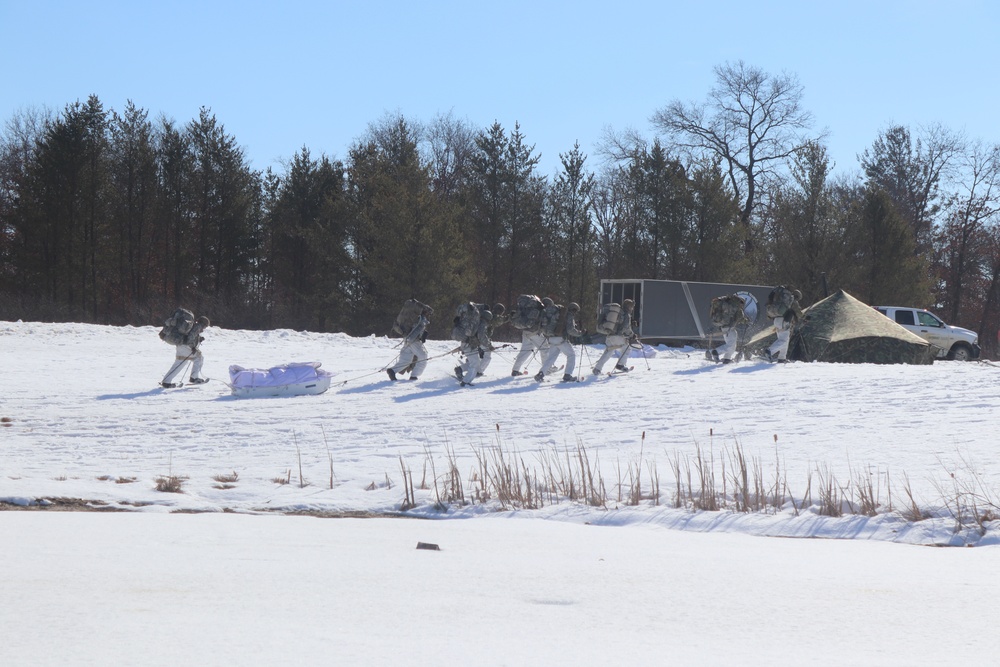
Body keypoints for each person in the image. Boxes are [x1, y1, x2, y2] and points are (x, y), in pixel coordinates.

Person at [535, 301, 583, 382]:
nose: (575, 313)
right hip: (560, 339)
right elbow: (570, 330)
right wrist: (580, 333)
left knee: (551, 358)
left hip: (551, 338)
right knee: (571, 355)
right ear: (574, 310)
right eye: (576, 311)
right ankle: (567, 375)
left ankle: (541, 374)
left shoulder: (559, 314)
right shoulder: (568, 315)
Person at [161, 314, 210, 388]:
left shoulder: (192, 325)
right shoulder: (198, 326)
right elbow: (190, 337)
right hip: (185, 347)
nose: (204, 328)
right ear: (203, 324)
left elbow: (190, 335)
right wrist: (193, 347)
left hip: (181, 345)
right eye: (205, 326)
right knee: (198, 358)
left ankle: (166, 381)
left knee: (180, 363)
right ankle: (194, 378)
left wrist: (199, 338)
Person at [388, 304, 431, 381]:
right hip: (413, 340)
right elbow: (416, 329)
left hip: (407, 339)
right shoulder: (422, 319)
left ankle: (392, 371)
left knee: (406, 360)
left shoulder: (416, 318)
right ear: (426, 312)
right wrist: (416, 338)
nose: (429, 315)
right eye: (429, 313)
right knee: (423, 356)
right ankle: (414, 376)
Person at [593, 298, 635, 375]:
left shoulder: (618, 313)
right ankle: (620, 365)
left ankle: (597, 369)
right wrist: (632, 335)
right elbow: (626, 327)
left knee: (609, 352)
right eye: (631, 306)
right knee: (627, 348)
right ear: (628, 306)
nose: (632, 308)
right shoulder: (626, 314)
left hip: (609, 336)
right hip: (617, 337)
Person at [455, 305, 493, 386]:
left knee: (474, 362)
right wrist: (489, 345)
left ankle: (460, 370)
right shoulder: (482, 324)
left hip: (467, 343)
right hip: (469, 344)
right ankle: (466, 381)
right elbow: (482, 336)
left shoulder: (476, 321)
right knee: (475, 364)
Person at [511, 298, 550, 376]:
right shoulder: (541, 311)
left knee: (525, 351)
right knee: (545, 348)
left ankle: (515, 370)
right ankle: (547, 369)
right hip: (534, 333)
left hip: (525, 332)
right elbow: (544, 323)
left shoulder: (531, 309)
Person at [764, 287, 803, 363]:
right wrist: (804, 318)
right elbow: (799, 313)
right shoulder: (793, 301)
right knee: (784, 340)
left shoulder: (783, 300)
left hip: (777, 320)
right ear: (797, 296)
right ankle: (769, 351)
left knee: (785, 340)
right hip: (784, 321)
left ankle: (782, 358)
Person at [709, 294, 748, 365]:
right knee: (730, 345)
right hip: (729, 328)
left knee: (732, 345)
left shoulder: (728, 304)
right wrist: (746, 321)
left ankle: (727, 358)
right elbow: (740, 318)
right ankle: (716, 351)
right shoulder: (737, 307)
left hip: (724, 327)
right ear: (741, 302)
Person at [477, 303, 507, 377]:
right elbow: (500, 320)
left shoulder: (486, 314)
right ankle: (479, 371)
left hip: (478, 338)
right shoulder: (493, 317)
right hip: (483, 339)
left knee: (478, 356)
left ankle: (462, 368)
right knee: (487, 356)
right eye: (501, 312)